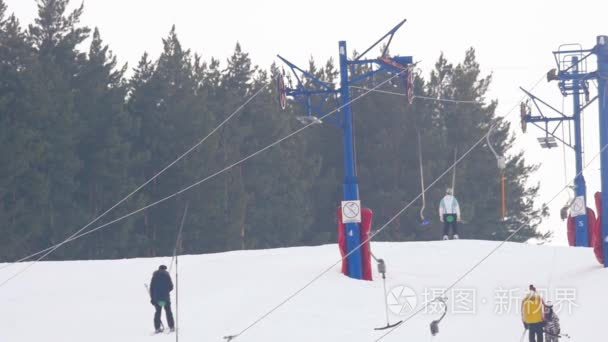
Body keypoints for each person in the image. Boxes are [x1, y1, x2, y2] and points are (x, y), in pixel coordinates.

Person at [150, 265, 175, 333]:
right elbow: (171, 286)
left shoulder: (154, 276)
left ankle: (157, 328)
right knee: (168, 312)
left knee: (158, 312)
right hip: (165, 298)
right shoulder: (166, 275)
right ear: (164, 269)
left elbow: (151, 288)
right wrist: (166, 290)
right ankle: (171, 326)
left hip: (157, 299)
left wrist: (152, 298)